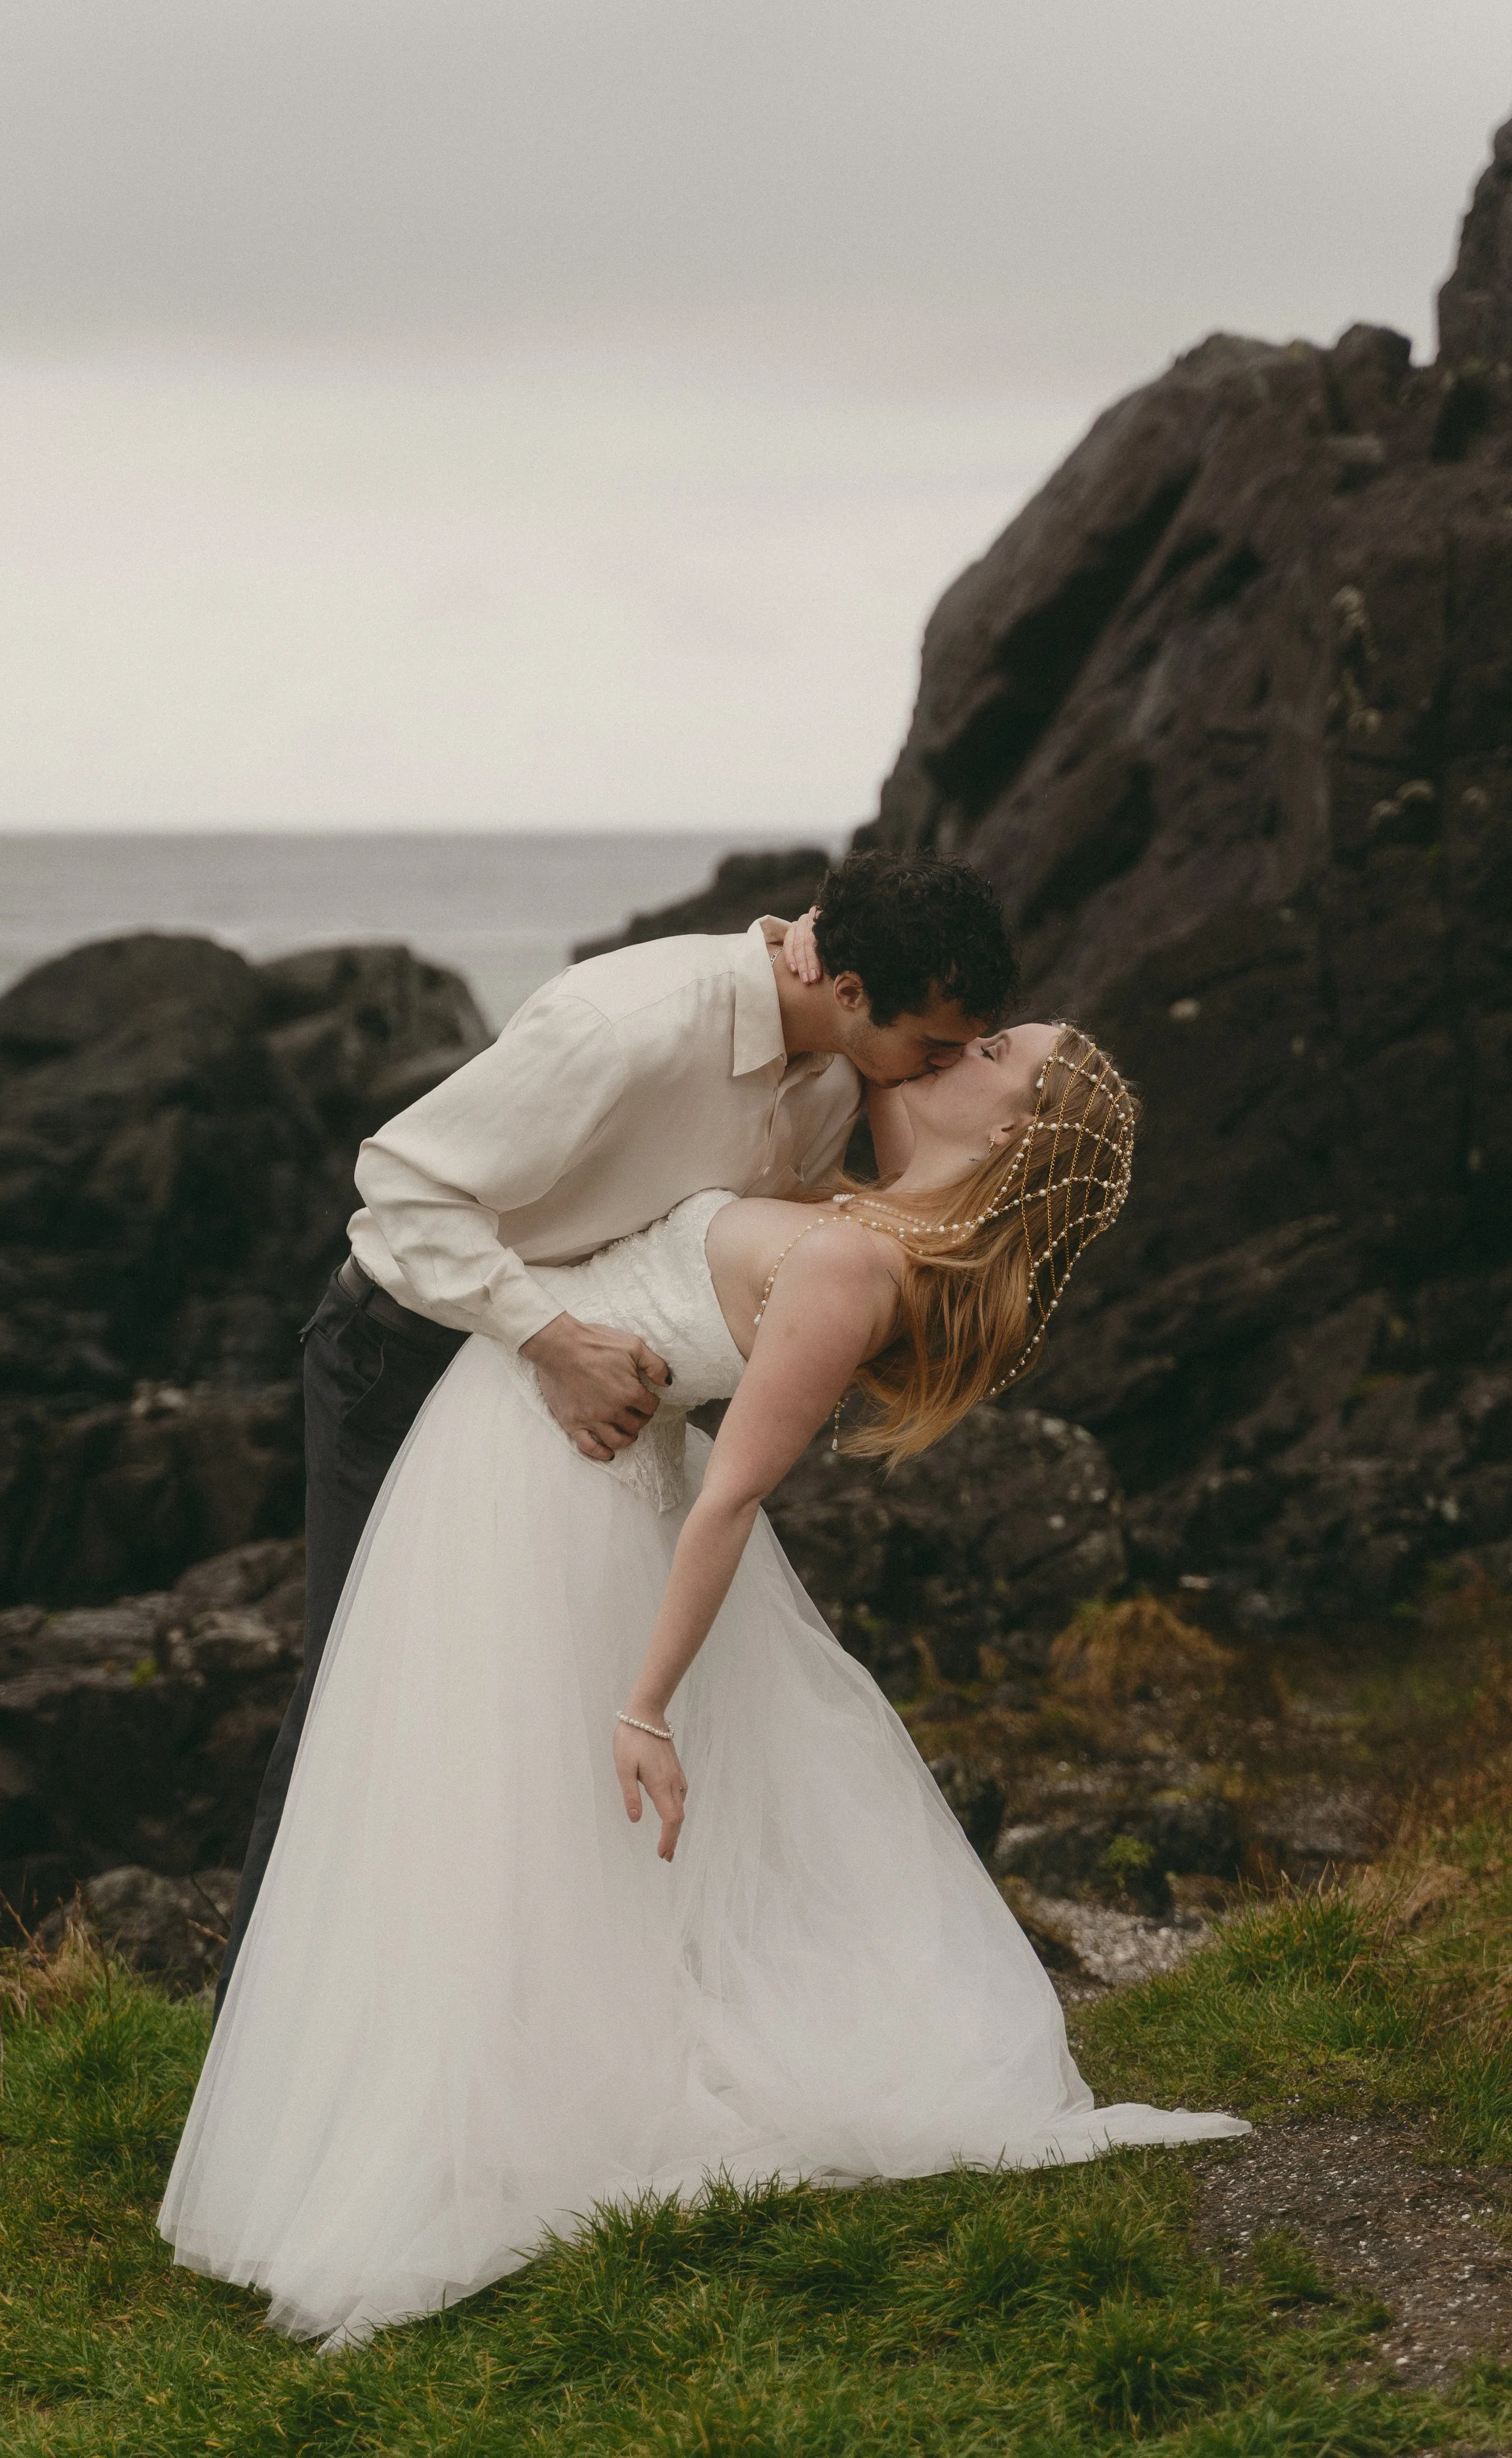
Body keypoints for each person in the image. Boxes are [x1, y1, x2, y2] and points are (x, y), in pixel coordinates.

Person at [161, 993, 1248, 2345]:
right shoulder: (846, 1212)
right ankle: (429, 2094)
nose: (962, 1047)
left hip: (547, 1497)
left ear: (1018, 1124)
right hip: (524, 1463)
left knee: (486, 1809)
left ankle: (463, 2129)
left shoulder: (856, 1266)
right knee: (474, 1811)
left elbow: (730, 1498)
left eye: (994, 1054)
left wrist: (644, 1704)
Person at [214, 851, 1019, 2002]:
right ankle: (266, 2028)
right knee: (357, 1693)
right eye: (933, 1047)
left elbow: (759, 1214)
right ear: (848, 990)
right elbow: (400, 1184)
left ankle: (506, 2007)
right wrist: (549, 1338)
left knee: (518, 1703)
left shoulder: (841, 1068)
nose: (935, 1071)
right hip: (409, 1347)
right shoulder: (625, 1026)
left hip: (581, 1404)